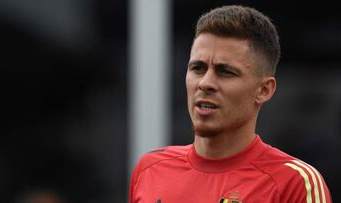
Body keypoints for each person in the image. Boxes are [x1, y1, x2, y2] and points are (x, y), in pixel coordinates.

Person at [129, 5, 332, 203]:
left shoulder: (296, 183)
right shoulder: (149, 169)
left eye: (225, 71)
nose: (205, 83)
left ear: (264, 90)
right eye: (198, 68)